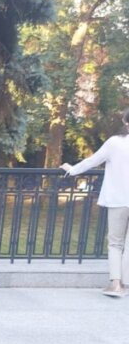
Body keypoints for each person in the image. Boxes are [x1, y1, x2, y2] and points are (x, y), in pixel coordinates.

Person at [60, 108, 129, 297]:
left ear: (125, 122)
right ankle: (126, 283)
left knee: (115, 243)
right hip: (120, 198)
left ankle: (116, 284)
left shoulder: (115, 143)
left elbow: (92, 161)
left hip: (118, 199)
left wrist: (72, 170)